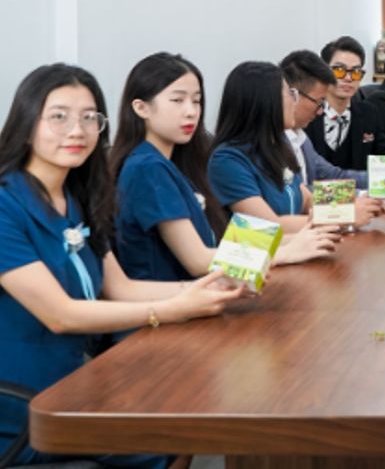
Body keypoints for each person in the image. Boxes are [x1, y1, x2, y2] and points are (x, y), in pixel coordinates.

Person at [0, 64, 241, 467]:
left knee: (183, 409)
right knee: (167, 430)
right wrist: (170, 309)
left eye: (89, 118)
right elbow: (60, 315)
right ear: (26, 124)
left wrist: (207, 289)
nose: (76, 130)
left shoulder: (77, 198)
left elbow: (119, 287)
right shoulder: (6, 205)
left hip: (77, 384)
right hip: (29, 408)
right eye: (58, 117)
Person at [112, 53, 339, 281]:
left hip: (211, 288)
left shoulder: (282, 145)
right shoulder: (156, 166)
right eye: (178, 100)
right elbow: (200, 259)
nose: (191, 111)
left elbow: (225, 237)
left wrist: (328, 221)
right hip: (184, 294)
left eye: (197, 101)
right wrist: (296, 243)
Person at [208, 61, 378, 234]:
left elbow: (307, 198)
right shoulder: (228, 160)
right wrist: (344, 216)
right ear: (266, 102)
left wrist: (362, 200)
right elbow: (266, 227)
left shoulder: (278, 145)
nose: (294, 102)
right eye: (290, 94)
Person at [281, 49, 378, 191]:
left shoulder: (301, 139)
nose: (321, 111)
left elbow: (334, 176)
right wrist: (357, 197)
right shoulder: (267, 143)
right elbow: (295, 194)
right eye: (319, 102)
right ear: (293, 95)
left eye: (356, 72)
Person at [305, 36, 385, 178]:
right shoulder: (307, 114)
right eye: (339, 70)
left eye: (356, 72)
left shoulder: (369, 112)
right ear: (323, 72)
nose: (348, 78)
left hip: (361, 190)